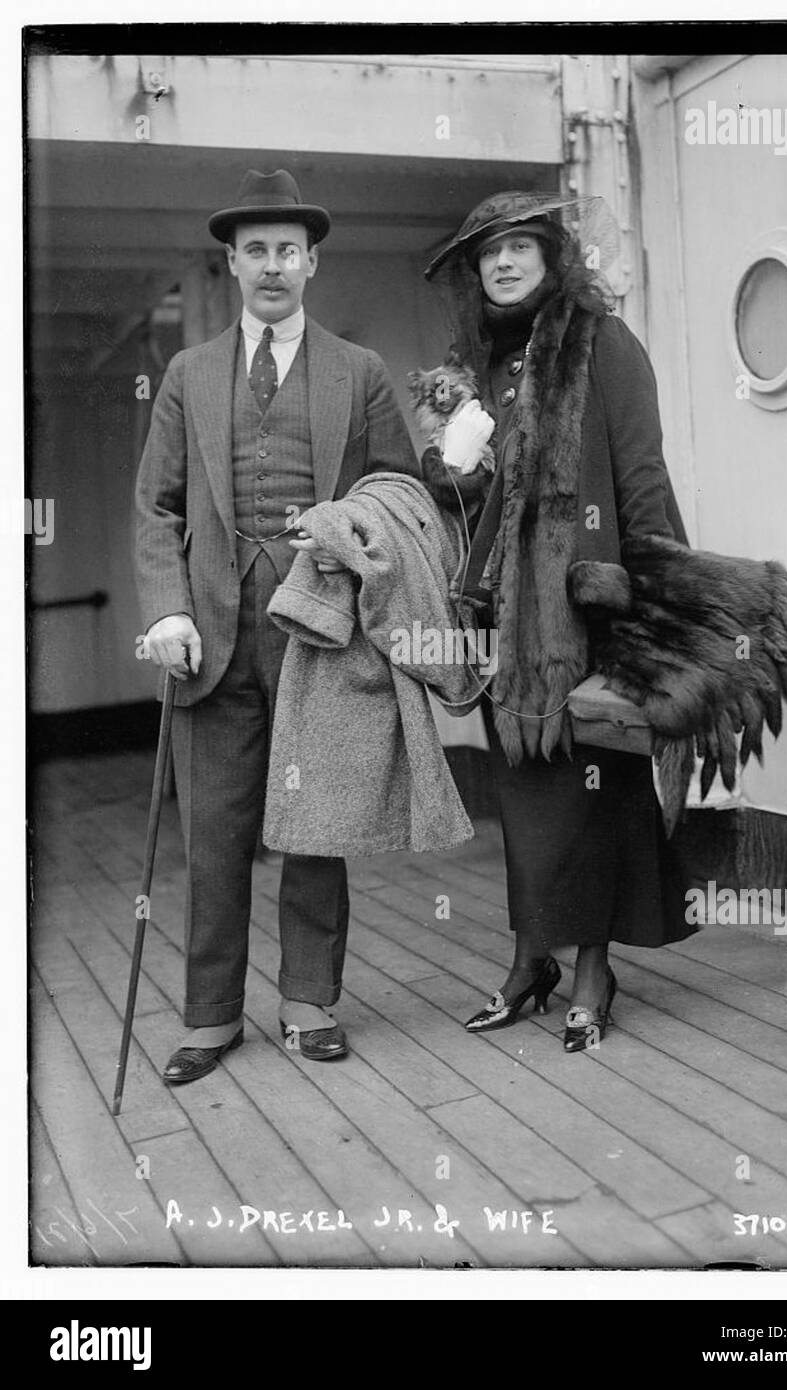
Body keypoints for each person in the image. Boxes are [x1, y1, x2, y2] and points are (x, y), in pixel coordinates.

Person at [134, 169, 417, 1083]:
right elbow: (156, 507)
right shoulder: (187, 373)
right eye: (254, 250)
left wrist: (346, 535)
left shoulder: (359, 371)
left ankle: (307, 1004)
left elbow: (399, 494)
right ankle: (211, 1018)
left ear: (312, 263)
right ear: (230, 263)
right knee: (213, 833)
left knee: (313, 824)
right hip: (210, 637)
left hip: (317, 630)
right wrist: (168, 610)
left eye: (286, 251)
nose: (271, 266)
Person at [420, 191, 696, 1052]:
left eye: (517, 248)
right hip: (507, 622)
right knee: (528, 793)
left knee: (598, 790)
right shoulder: (475, 367)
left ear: (549, 255)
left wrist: (658, 601)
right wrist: (451, 465)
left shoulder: (602, 344)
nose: (501, 264)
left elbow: (642, 474)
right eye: (486, 254)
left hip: (589, 608)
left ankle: (591, 971)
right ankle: (530, 959)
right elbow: (473, 505)